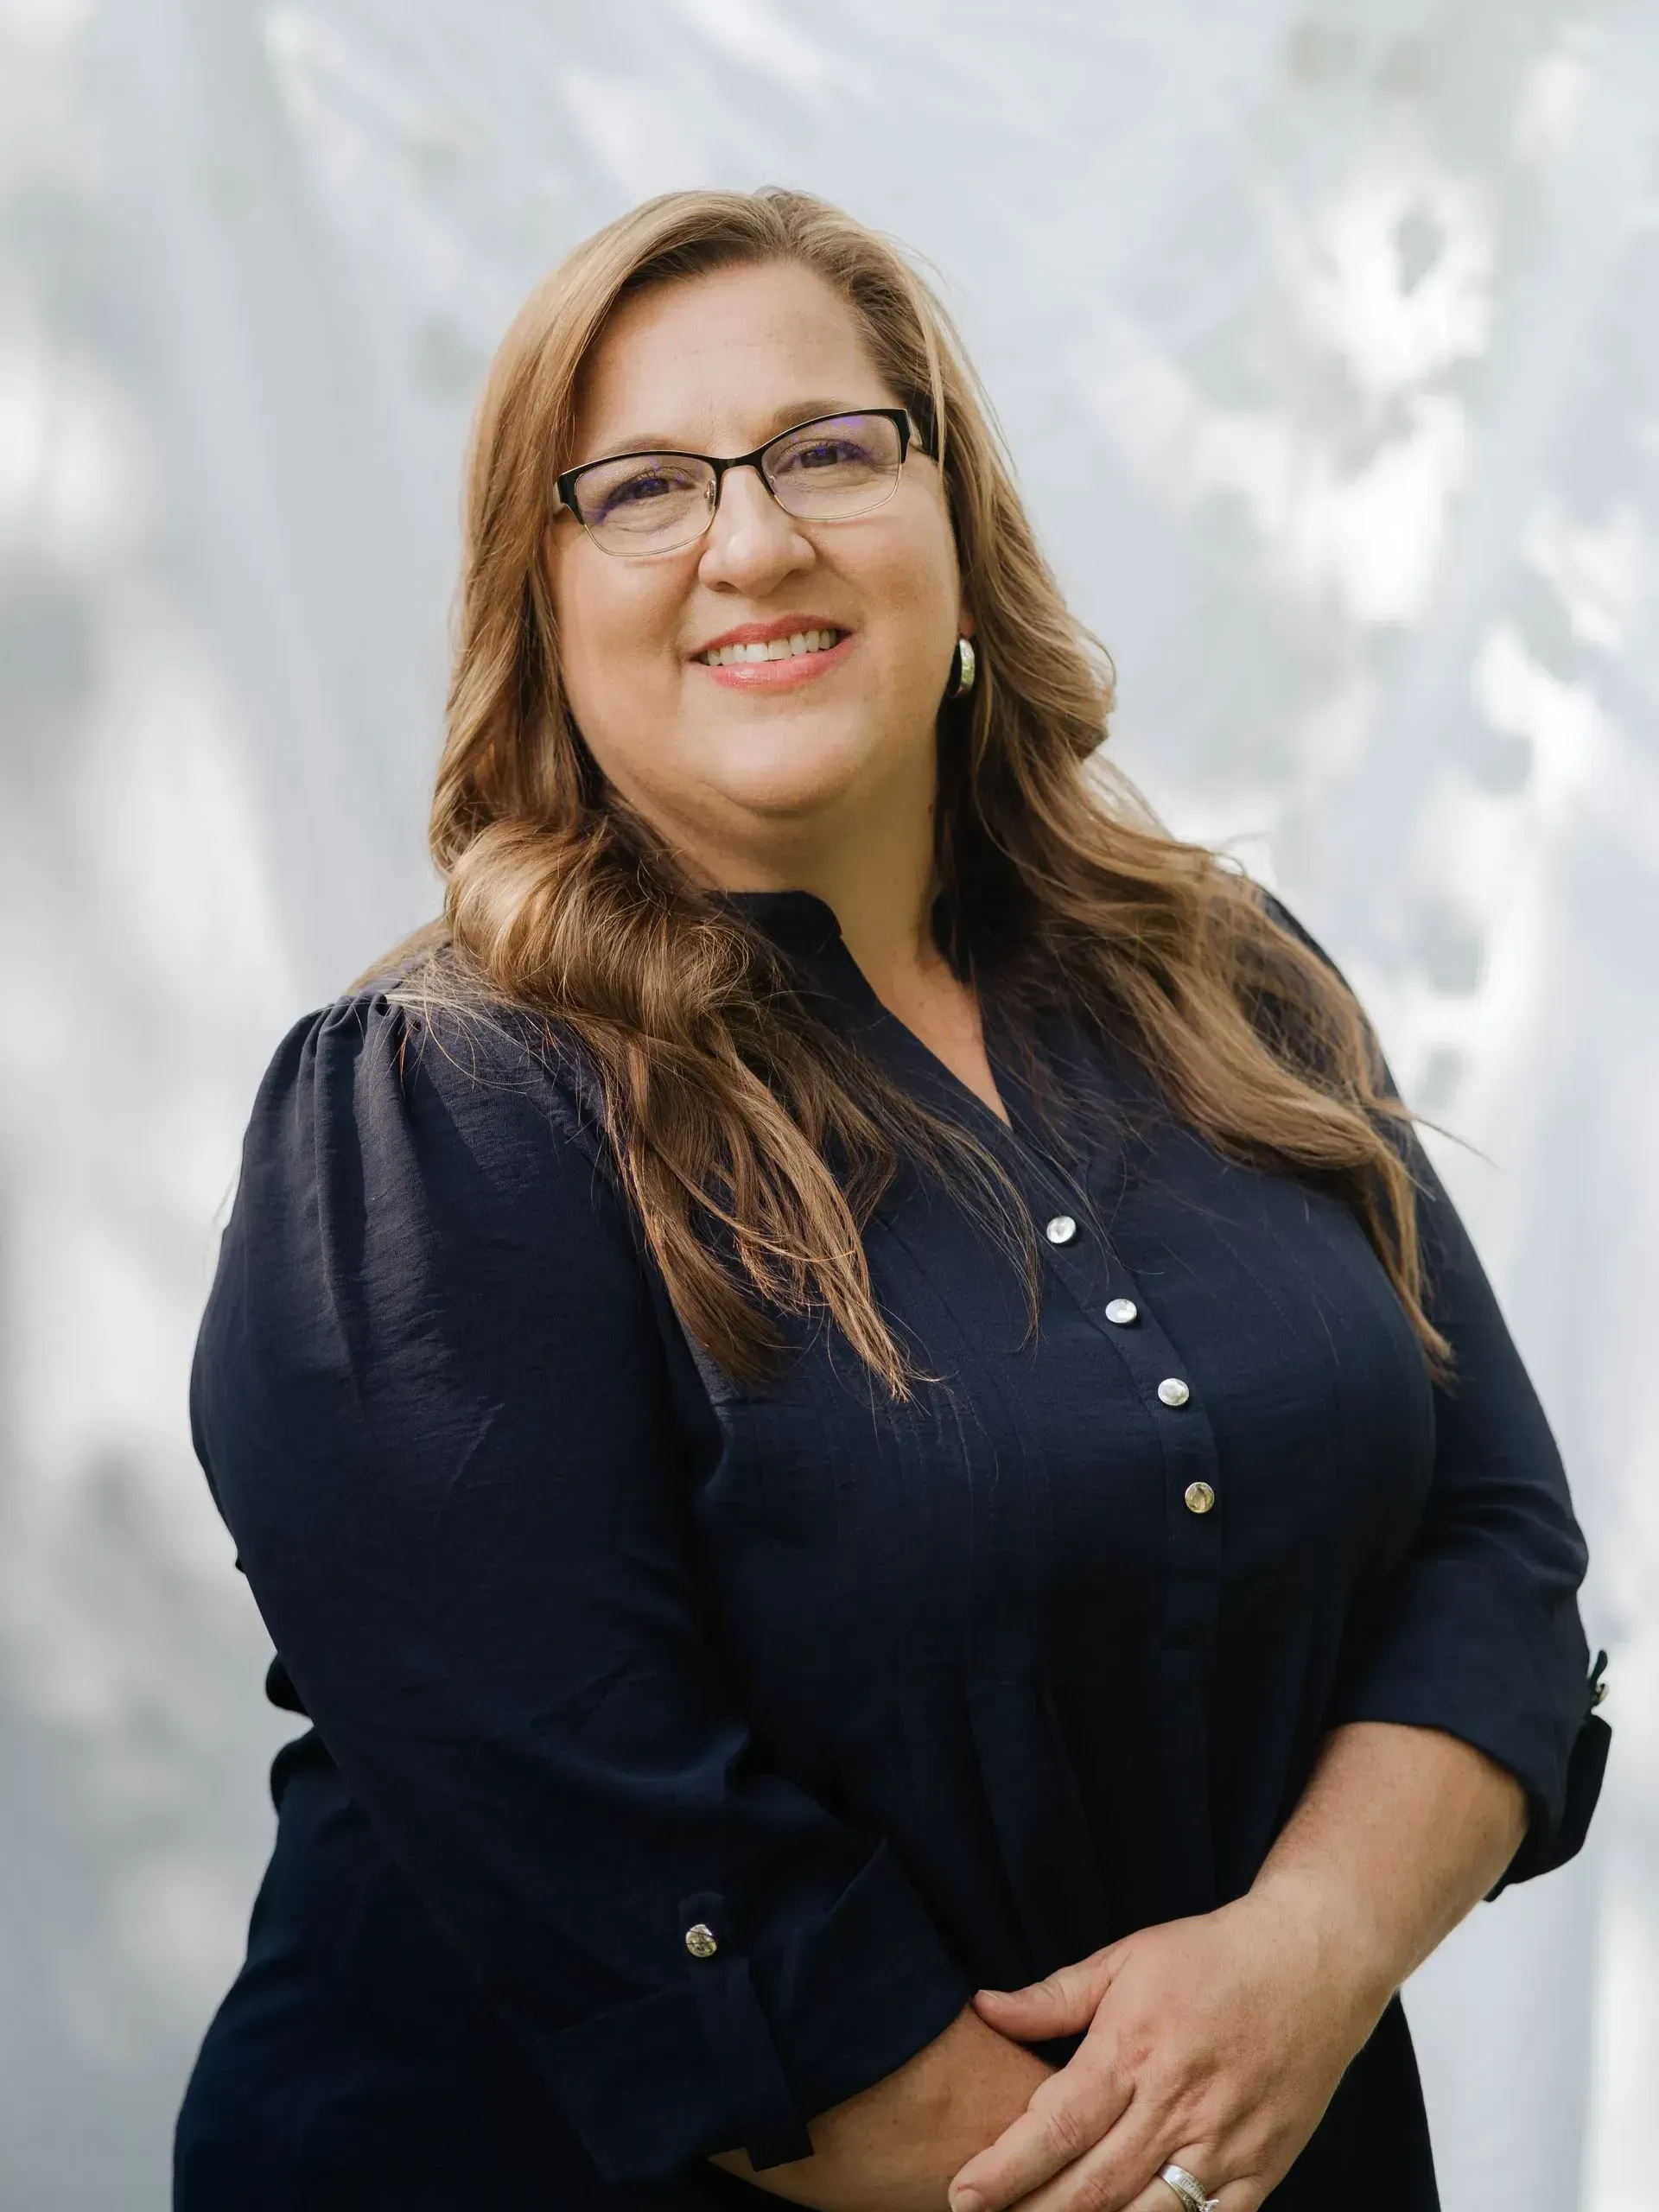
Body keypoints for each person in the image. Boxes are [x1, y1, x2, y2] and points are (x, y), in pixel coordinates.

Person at [174, 187, 1609, 2212]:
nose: (753, 540)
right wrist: (1158, 2176)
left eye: (829, 449)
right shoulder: (441, 1116)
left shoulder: (1231, 978)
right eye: (645, 487)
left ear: (955, 518)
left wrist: (1308, 1954)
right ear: (542, 592)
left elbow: (1492, 1552)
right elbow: (634, 1873)